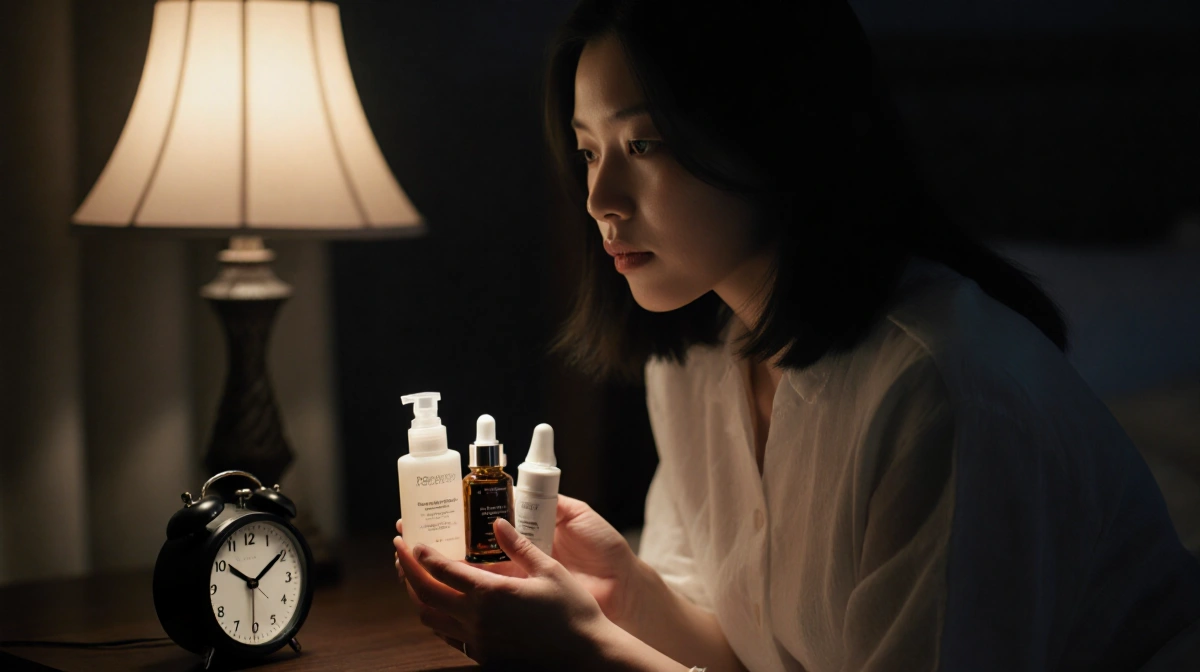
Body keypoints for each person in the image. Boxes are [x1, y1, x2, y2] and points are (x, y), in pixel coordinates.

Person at [393, 1, 1200, 670]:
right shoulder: (698, 361)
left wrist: (593, 650)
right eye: (587, 150)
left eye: (643, 144)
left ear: (771, 130)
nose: (601, 196)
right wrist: (629, 594)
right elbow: (754, 654)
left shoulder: (944, 393)